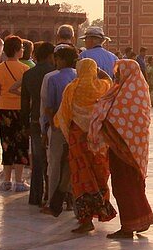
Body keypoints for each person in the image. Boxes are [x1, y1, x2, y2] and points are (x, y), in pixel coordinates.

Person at [89, 59, 153, 238]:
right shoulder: (137, 89)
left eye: (119, 72)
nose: (116, 75)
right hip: (135, 147)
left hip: (124, 147)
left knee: (124, 186)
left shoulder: (128, 92)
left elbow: (115, 117)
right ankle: (142, 218)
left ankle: (128, 227)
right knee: (133, 185)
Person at [55, 58, 117, 234]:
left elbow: (63, 114)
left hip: (78, 140)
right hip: (98, 140)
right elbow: (110, 82)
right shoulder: (103, 87)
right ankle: (101, 209)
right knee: (99, 174)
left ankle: (85, 218)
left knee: (82, 177)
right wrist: (100, 72)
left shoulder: (72, 88)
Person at [42, 46, 78, 214]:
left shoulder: (53, 79)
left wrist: (51, 126)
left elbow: (49, 107)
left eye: (57, 59)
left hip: (58, 126)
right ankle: (71, 201)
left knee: (55, 164)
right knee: (73, 164)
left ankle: (52, 202)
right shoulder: (80, 76)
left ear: (62, 60)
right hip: (76, 127)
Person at [0, 36, 30, 192]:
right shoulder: (25, 69)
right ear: (16, 50)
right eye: (21, 47)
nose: (23, 50)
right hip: (20, 109)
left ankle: (6, 180)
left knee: (6, 144)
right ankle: (19, 180)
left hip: (4, 108)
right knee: (21, 144)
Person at [21, 41, 55, 206]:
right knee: (53, 160)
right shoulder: (55, 73)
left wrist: (24, 125)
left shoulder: (29, 74)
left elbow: (24, 103)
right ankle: (51, 195)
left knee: (38, 159)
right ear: (51, 56)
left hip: (34, 119)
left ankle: (35, 196)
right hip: (53, 121)